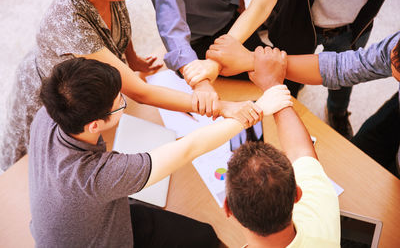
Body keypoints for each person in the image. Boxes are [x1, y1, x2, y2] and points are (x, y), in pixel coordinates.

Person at [28, 57, 293, 247]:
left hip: (70, 225)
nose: (125, 101)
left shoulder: (51, 112)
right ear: (94, 124)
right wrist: (256, 109)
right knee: (205, 237)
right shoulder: (95, 177)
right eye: (120, 104)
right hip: (97, 239)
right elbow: (189, 147)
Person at [0, 0, 259, 171]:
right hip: (54, 91)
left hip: (90, 74)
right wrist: (217, 106)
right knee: (38, 162)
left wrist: (134, 61)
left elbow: (118, 29)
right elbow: (140, 92)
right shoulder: (70, 24)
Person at [185, 0, 399, 139]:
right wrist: (220, 58)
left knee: (343, 84)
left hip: (353, 29)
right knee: (288, 84)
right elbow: (263, 1)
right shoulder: (387, 54)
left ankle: (337, 112)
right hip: (299, 24)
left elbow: (348, 69)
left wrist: (247, 60)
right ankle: (291, 103)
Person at [206, 32, 400, 176]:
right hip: (394, 116)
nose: (389, 63)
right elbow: (346, 66)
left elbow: (303, 158)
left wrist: (273, 86)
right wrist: (252, 60)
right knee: (356, 161)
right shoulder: (396, 48)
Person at [223, 47, 340, 247]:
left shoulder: (316, 204)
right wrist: (272, 86)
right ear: (297, 194)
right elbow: (301, 151)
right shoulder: (320, 211)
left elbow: (300, 152)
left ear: (228, 209)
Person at [149, 0, 267, 115]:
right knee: (263, 74)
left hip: (232, 15)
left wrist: (240, 3)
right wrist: (200, 81)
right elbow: (170, 25)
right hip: (201, 37)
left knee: (268, 69)